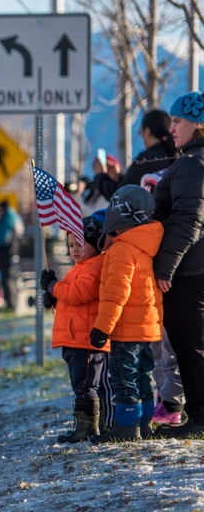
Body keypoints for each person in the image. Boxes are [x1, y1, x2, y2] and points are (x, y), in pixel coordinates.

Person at [88, 185, 163, 443]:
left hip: (125, 329)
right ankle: (144, 423)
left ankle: (127, 427)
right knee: (142, 376)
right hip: (145, 328)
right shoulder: (146, 245)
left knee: (123, 377)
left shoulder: (122, 249)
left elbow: (115, 293)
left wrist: (102, 328)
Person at [153, 91, 204, 438]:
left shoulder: (190, 164)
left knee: (191, 344)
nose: (172, 128)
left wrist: (163, 269)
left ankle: (199, 419)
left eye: (178, 120)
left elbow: (188, 220)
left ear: (198, 123)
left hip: (188, 272)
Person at [40, 215, 109, 443]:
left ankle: (89, 428)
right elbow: (69, 300)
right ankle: (83, 426)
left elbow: (77, 294)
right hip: (73, 338)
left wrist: (53, 286)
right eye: (71, 245)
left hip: (86, 339)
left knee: (87, 385)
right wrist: (53, 298)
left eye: (80, 244)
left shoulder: (95, 267)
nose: (74, 250)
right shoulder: (80, 267)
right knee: (79, 384)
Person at [119, 110, 178, 188]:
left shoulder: (144, 161)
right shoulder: (176, 155)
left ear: (147, 131)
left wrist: (101, 176)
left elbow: (122, 192)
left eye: (141, 131)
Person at [0, 201, 21, 310]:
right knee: (9, 277)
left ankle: (10, 302)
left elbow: (3, 238)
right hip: (11, 252)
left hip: (5, 253)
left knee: (6, 278)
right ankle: (11, 301)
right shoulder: (13, 216)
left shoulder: (6, 218)